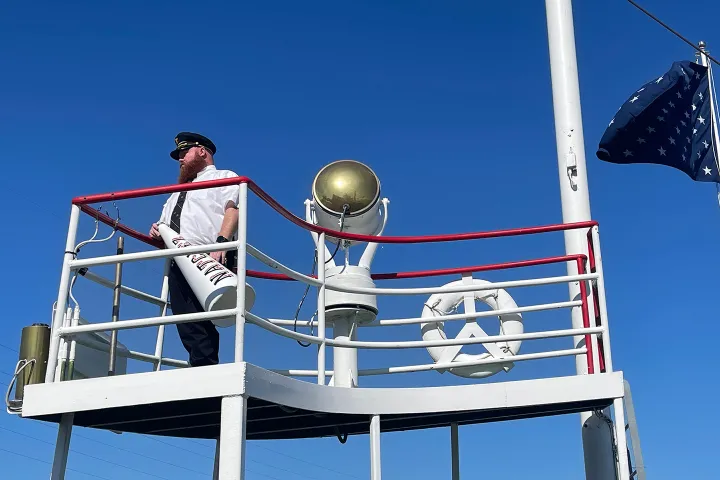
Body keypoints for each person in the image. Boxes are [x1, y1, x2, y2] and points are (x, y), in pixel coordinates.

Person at [149, 132, 240, 367]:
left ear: (202, 151)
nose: (180, 159)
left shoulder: (224, 177)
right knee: (186, 318)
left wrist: (222, 242)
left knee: (202, 317)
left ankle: (205, 368)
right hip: (178, 258)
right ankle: (200, 366)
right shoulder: (176, 193)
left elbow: (233, 210)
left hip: (207, 254)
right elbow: (165, 224)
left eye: (183, 153)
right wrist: (157, 229)